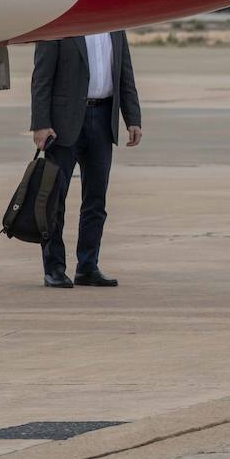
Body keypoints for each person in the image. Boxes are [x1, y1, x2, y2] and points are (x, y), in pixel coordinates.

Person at [29, 31, 142, 287]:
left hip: (103, 119)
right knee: (54, 200)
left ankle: (88, 266)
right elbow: (41, 78)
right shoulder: (62, 25)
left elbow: (125, 74)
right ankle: (54, 268)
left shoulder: (116, 26)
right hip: (63, 124)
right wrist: (40, 124)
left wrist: (132, 118)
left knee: (96, 200)